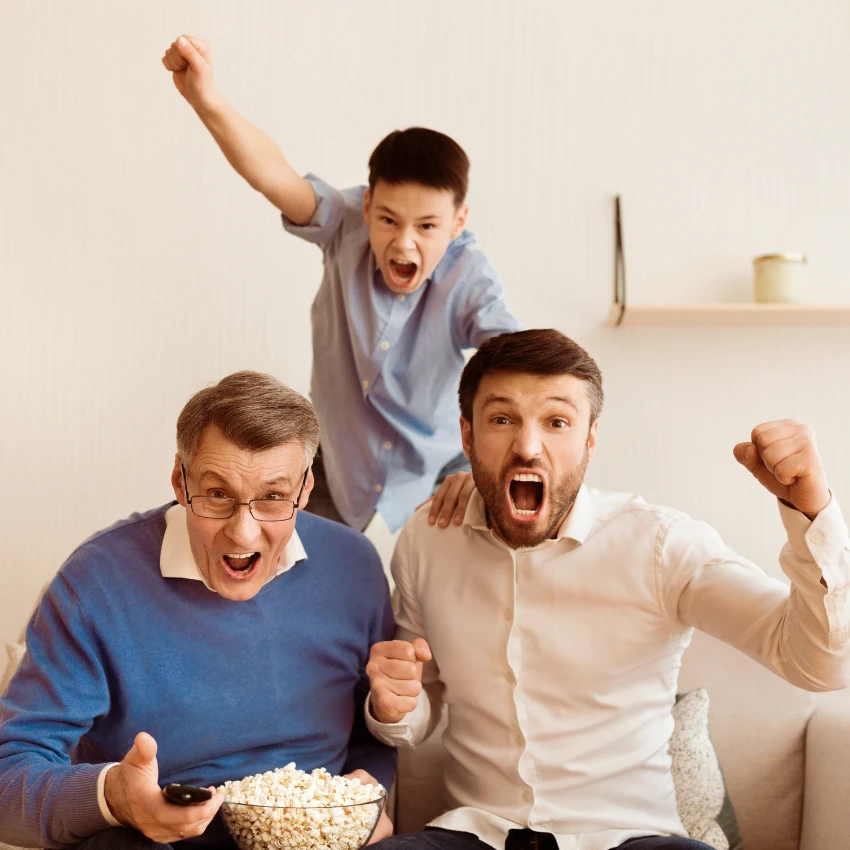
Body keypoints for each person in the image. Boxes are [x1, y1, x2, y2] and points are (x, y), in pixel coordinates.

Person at [364, 328, 850, 850]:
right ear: (467, 436)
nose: (528, 447)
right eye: (502, 420)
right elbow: (419, 707)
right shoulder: (426, 541)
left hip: (630, 837)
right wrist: (393, 707)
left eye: (557, 422)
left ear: (590, 439)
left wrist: (811, 509)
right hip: (476, 833)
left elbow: (820, 666)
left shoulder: (661, 544)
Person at [0, 371, 395, 850]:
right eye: (218, 495)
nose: (243, 534)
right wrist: (115, 797)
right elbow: (10, 775)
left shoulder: (354, 566)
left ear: (305, 489)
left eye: (273, 497)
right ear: (180, 481)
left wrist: (367, 798)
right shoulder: (95, 583)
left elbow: (375, 732)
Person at [161, 35, 521, 534]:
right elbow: (273, 175)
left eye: (427, 227)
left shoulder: (471, 277)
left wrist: (495, 462)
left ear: (457, 223)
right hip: (335, 460)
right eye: (390, 220)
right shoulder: (346, 224)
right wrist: (206, 98)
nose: (405, 244)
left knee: (439, 589)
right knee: (296, 570)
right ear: (368, 205)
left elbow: (518, 360)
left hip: (434, 471)